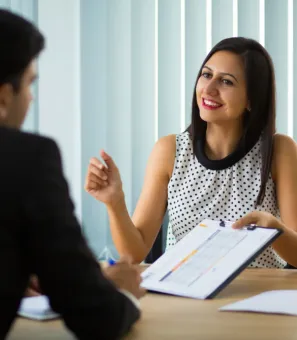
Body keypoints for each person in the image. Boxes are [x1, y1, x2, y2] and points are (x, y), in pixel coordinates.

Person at [85, 37, 297, 269]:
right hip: (184, 296)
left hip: (255, 296)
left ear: (251, 100)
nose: (208, 88)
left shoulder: (279, 151)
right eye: (206, 75)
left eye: (226, 81)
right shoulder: (169, 150)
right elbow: (134, 253)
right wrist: (115, 202)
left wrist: (276, 231)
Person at [0, 9, 145, 340]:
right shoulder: (27, 158)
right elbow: (94, 316)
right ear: (5, 96)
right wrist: (122, 294)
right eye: (29, 83)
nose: (31, 97)